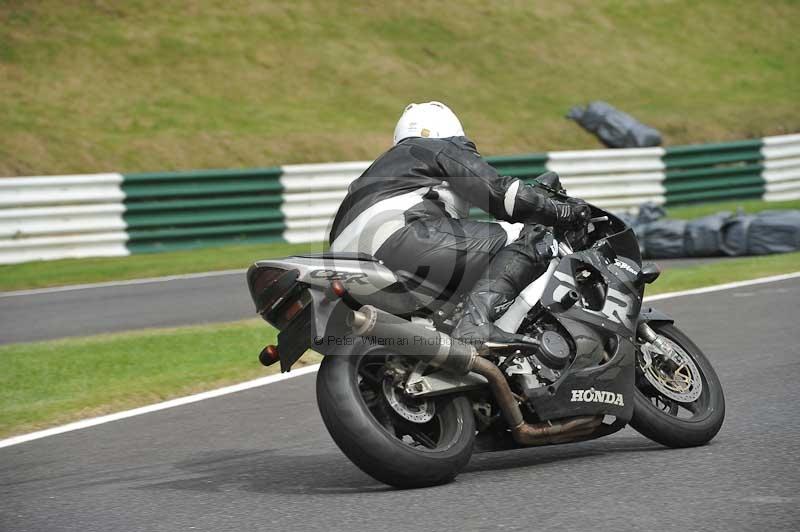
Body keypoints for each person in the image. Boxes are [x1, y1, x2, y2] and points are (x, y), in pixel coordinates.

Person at [329, 101, 590, 344]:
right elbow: (501, 194)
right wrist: (564, 212)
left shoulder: (380, 170)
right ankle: (475, 323)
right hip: (401, 236)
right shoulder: (438, 148)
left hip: (344, 256)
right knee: (531, 237)